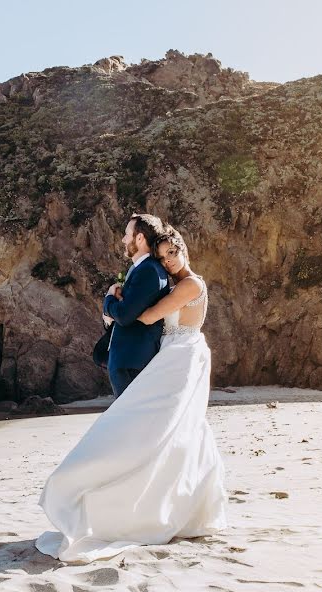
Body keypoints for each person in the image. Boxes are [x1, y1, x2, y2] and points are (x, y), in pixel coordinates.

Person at [35, 227, 227, 563]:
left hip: (181, 355)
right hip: (170, 354)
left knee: (161, 429)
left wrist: (115, 299)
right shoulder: (173, 282)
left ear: (184, 250)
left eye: (172, 254)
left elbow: (150, 315)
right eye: (162, 256)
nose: (167, 261)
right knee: (174, 431)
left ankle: (162, 507)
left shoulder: (191, 284)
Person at [102, 214, 171, 397]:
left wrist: (108, 299)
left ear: (139, 238)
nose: (123, 239)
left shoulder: (149, 270)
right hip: (128, 361)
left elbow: (125, 315)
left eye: (127, 234)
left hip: (132, 363)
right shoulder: (143, 269)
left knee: (130, 422)